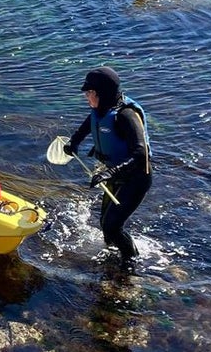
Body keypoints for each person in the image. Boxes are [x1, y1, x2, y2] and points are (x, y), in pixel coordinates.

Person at [65, 66, 152, 263]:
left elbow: (140, 154)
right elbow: (90, 122)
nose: (86, 96)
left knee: (113, 226)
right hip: (116, 175)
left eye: (89, 92)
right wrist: (74, 142)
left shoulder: (126, 115)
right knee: (106, 223)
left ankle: (131, 265)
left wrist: (110, 172)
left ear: (100, 93)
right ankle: (112, 259)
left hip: (136, 178)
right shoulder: (102, 109)